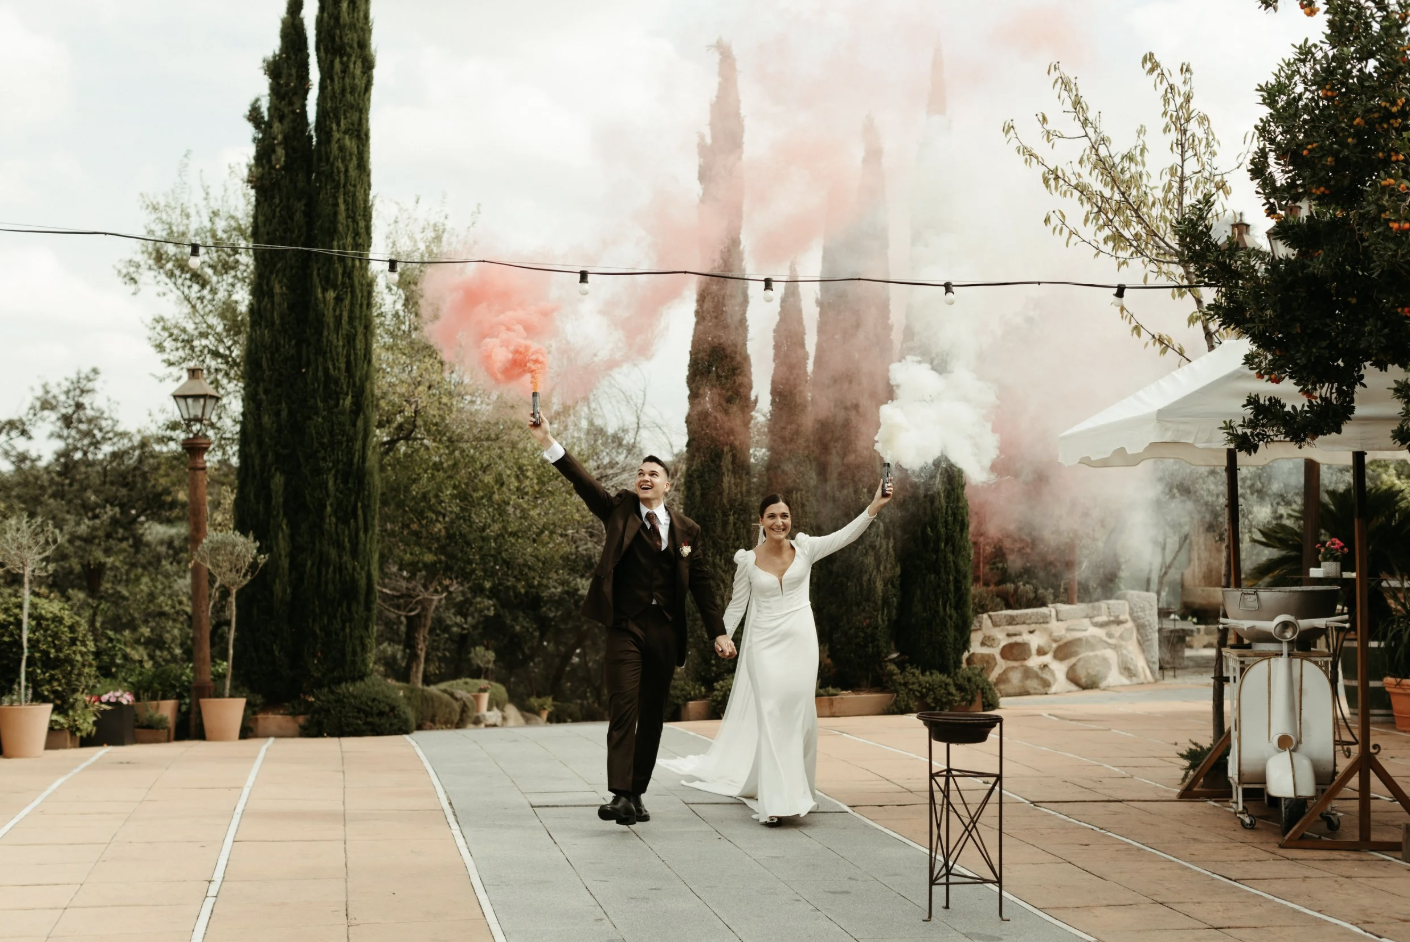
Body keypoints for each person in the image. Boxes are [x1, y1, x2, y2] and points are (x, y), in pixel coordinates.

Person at [528, 413, 729, 826]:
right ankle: (620, 794)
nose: (644, 477)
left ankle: (637, 792)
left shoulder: (688, 531)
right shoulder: (619, 510)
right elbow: (582, 482)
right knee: (623, 707)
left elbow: (704, 586)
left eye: (652, 473)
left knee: (653, 716)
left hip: (665, 632)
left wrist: (719, 633)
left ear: (667, 484)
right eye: (640, 472)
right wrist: (548, 441)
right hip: (625, 627)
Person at [659, 479, 893, 826]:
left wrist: (874, 506)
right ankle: (774, 803)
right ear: (761, 522)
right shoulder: (748, 561)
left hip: (801, 643)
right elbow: (737, 606)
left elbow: (846, 535)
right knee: (770, 716)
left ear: (790, 519)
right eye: (772, 516)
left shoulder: (807, 548)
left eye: (785, 516)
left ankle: (797, 791)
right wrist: (721, 636)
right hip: (763, 647)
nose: (779, 522)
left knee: (799, 719)